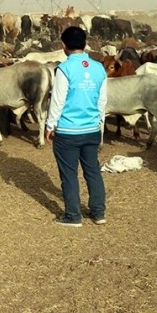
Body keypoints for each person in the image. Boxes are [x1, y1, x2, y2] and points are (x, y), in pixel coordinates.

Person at [45, 26, 108, 228]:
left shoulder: (64, 68)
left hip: (68, 132)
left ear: (64, 46)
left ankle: (73, 216)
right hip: (91, 129)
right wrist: (99, 122)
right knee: (93, 171)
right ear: (85, 43)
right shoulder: (99, 67)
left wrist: (50, 125)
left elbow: (58, 100)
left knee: (69, 174)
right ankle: (98, 213)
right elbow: (102, 100)